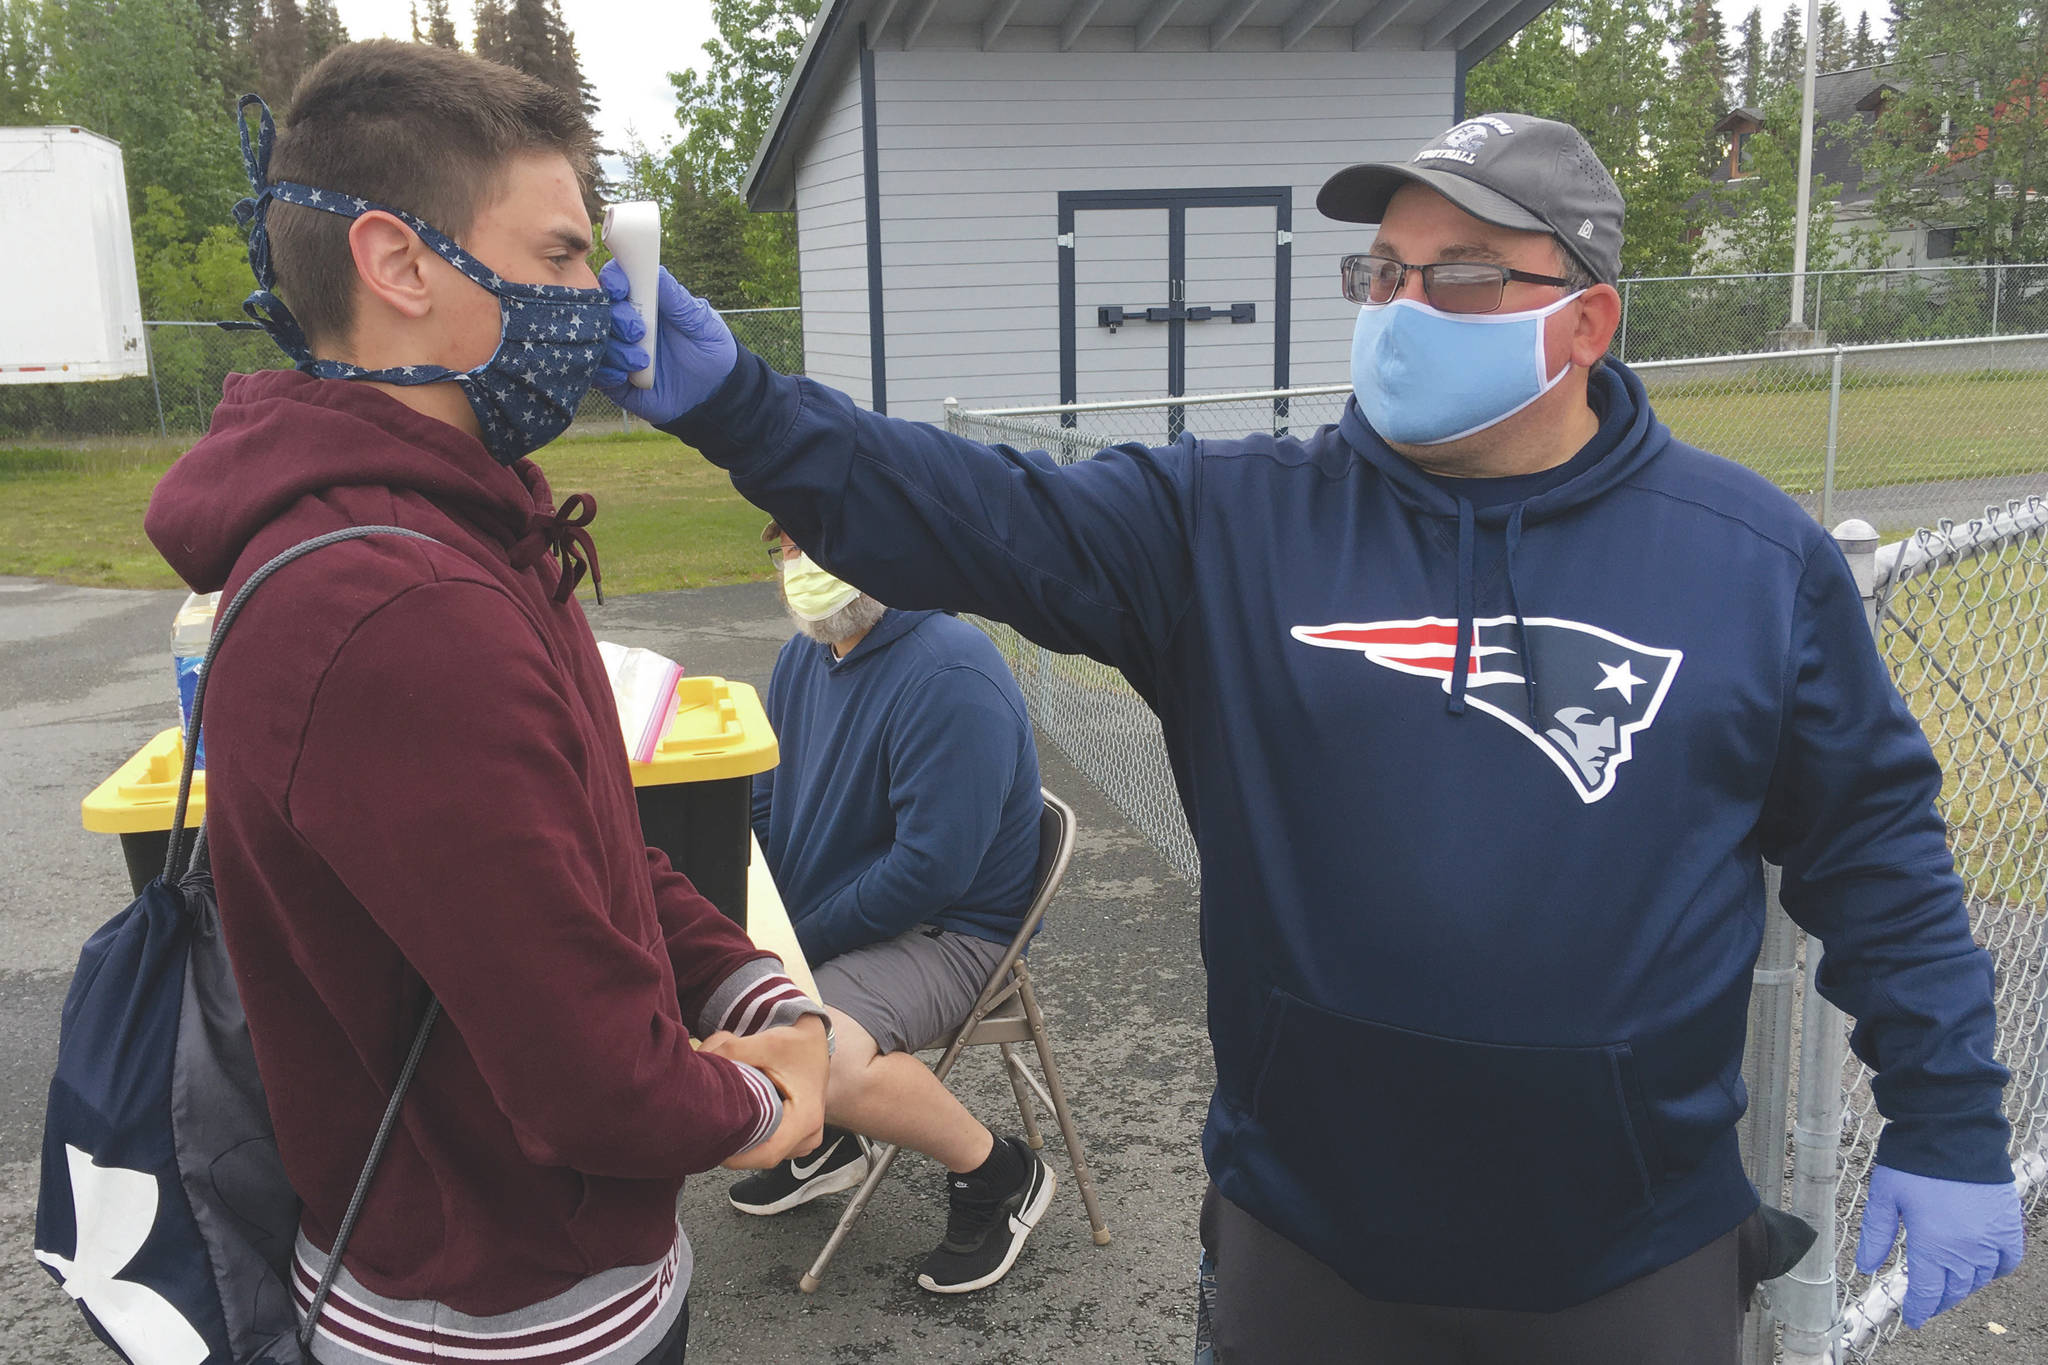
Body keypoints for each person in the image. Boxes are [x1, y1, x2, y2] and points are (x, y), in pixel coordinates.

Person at [594, 112, 2027, 1361]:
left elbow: (1873, 847)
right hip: (1312, 1241)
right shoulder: (1232, 526)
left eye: (1454, 276)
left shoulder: (1751, 560)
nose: (1399, 306)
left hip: (1627, 1253)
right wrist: (745, 409)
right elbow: (979, 510)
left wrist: (1951, 1116)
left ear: (1586, 321)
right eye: (1380, 273)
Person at [144, 41, 829, 1365]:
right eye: (567, 255)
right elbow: (592, 1081)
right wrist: (774, 1103)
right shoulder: (404, 613)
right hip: (496, 1318)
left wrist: (748, 984)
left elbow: (585, 853)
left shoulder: (460, 530)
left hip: (527, 1283)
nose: (605, 302)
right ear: (399, 265)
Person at [730, 522, 1055, 1294]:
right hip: (851, 914)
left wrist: (795, 943)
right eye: (784, 543)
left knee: (814, 1048)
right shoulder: (802, 658)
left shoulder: (949, 671)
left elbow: (928, 871)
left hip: (954, 931)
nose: (801, 562)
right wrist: (752, 927)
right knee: (725, 992)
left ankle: (999, 1170)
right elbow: (767, 807)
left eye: (824, 538)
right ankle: (829, 1144)